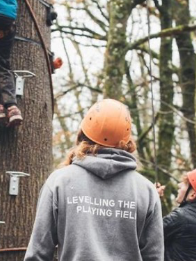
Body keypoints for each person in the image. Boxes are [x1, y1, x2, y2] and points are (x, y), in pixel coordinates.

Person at [24, 99, 164, 261]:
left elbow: (38, 254)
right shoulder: (146, 190)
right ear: (127, 141)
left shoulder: (59, 182)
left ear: (83, 133)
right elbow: (154, 257)